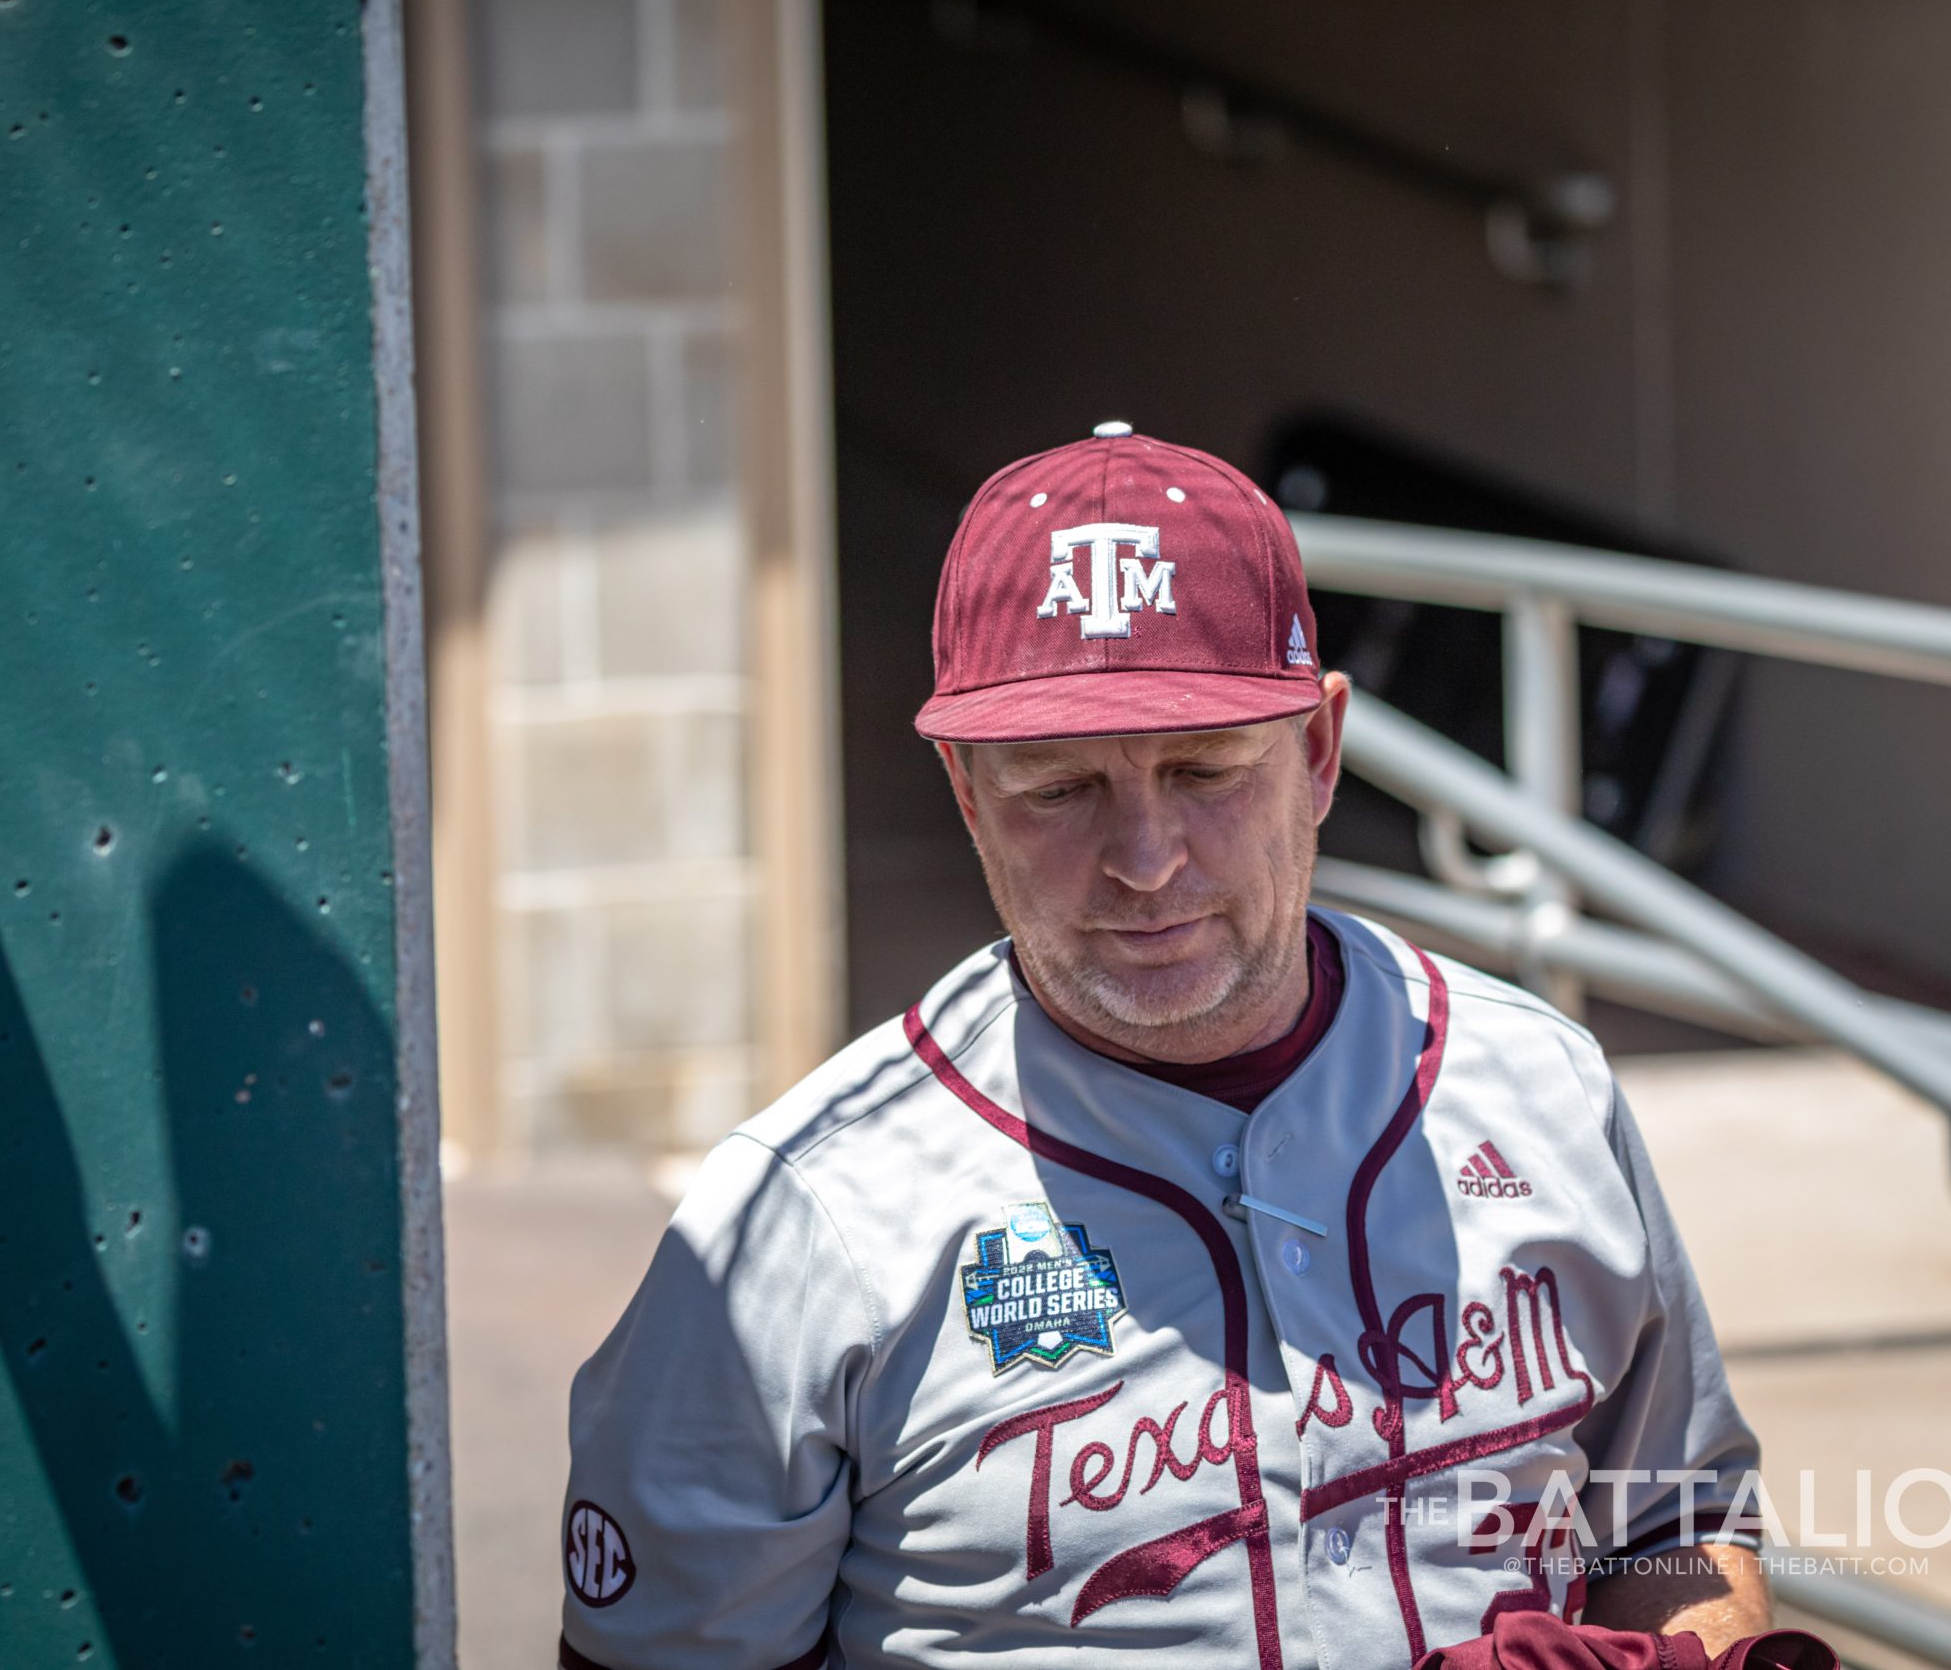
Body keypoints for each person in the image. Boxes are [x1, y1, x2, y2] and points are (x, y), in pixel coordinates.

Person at [556, 426, 1769, 1670]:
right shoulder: (801, 1218)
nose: (1145, 860)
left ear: (1317, 752)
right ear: (967, 794)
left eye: (1203, 770)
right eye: (1057, 789)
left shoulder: (1538, 1083)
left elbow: (1675, 1521)